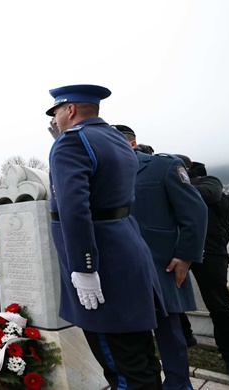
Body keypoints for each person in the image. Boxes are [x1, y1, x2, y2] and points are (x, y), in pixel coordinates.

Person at [46, 84, 165, 389]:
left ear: (70, 109)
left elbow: (74, 210)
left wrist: (84, 267)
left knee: (122, 368)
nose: (56, 118)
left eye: (57, 111)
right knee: (141, 358)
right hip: (127, 249)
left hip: (102, 265)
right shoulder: (116, 138)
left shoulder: (70, 143)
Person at [116, 124, 207, 390]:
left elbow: (195, 213)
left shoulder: (162, 167)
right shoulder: (104, 175)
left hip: (162, 265)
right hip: (122, 268)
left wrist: (186, 256)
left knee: (170, 335)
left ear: (132, 144)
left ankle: (179, 386)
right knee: (131, 338)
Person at [175, 155, 229, 381]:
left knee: (219, 305)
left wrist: (172, 187)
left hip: (210, 252)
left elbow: (207, 194)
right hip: (179, 250)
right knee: (171, 299)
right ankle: (187, 336)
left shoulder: (208, 181)